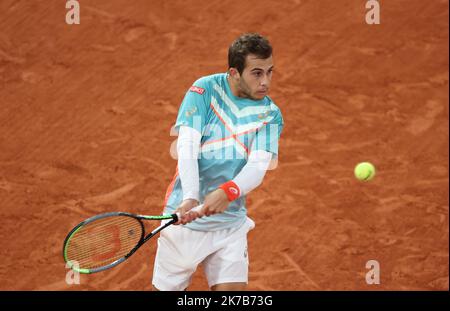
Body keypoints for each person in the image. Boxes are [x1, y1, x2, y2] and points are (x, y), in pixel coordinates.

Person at [152, 33, 284, 291]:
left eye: (270, 72)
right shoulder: (204, 90)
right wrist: (190, 197)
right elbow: (187, 146)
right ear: (234, 73)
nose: (265, 82)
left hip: (229, 225)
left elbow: (257, 168)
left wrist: (228, 191)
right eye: (256, 73)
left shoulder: (271, 114)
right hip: (183, 224)